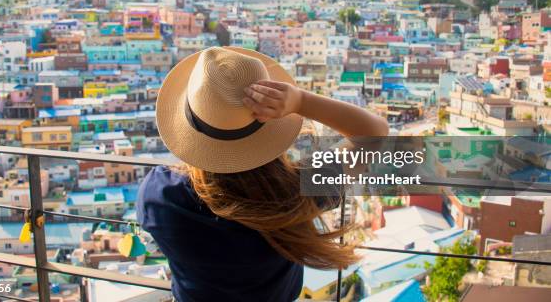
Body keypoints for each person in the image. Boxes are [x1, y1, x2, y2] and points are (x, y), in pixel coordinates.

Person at [137, 47, 389, 302]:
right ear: (270, 122)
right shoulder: (296, 192)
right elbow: (373, 135)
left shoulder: (161, 195)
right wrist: (301, 101)